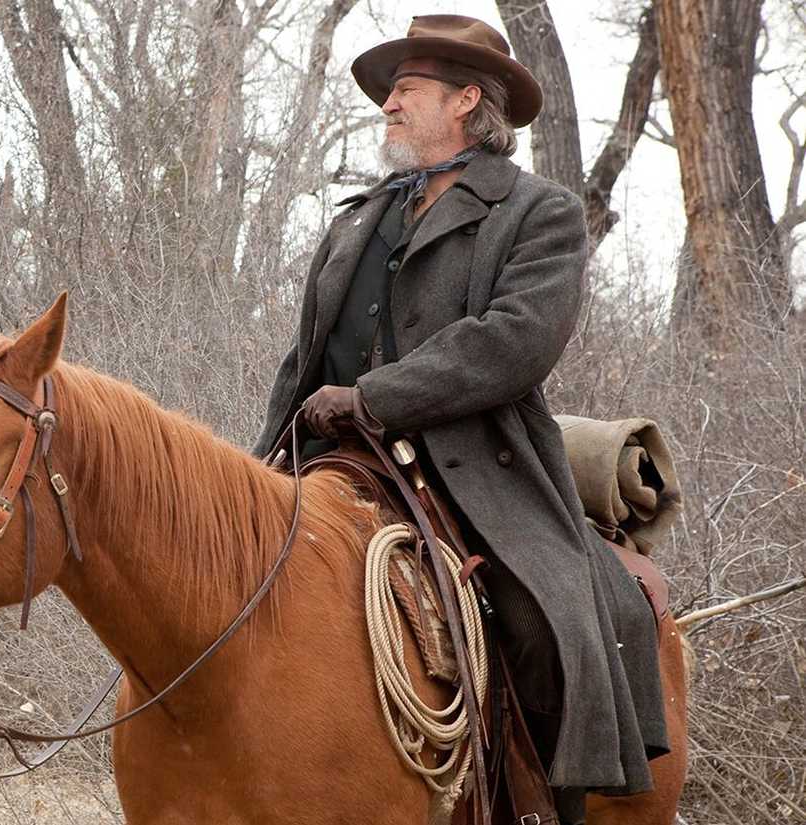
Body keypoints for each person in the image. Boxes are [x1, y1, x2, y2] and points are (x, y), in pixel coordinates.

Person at [252, 15, 668, 823]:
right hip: (324, 459)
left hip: (467, 469)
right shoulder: (355, 217)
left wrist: (374, 397)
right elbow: (301, 359)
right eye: (390, 92)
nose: (390, 105)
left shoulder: (538, 213)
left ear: (467, 99)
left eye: (406, 90)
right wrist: (262, 455)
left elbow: (512, 343)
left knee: (550, 621)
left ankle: (546, 803)